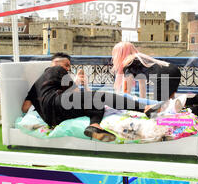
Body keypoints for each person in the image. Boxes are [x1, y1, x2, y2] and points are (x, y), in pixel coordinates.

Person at [22, 53, 162, 142]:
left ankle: (94, 125)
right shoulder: (56, 70)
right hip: (58, 103)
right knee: (100, 96)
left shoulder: (35, 86)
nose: (67, 69)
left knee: (93, 102)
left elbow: (25, 107)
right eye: (66, 66)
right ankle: (145, 108)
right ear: (55, 64)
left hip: (51, 119)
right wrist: (76, 81)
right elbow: (75, 93)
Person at [111, 41, 182, 101]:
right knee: (169, 101)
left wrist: (124, 103)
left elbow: (126, 90)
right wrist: (142, 101)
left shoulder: (128, 63)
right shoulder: (140, 58)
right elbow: (142, 84)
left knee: (158, 107)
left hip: (163, 76)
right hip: (174, 69)